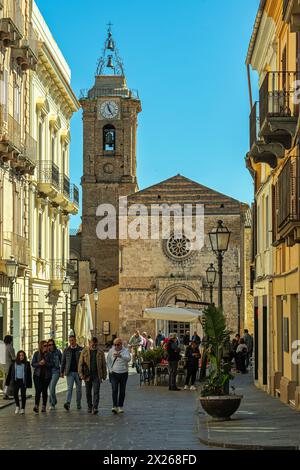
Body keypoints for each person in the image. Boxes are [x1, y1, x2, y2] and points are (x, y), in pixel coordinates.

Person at [78, 337, 107, 415]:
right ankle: (89, 406)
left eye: (95, 344)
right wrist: (81, 374)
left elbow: (104, 365)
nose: (94, 346)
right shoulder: (84, 351)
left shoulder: (100, 352)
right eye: (92, 344)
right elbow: (80, 363)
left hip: (97, 375)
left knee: (96, 391)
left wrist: (104, 375)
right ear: (89, 343)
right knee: (88, 392)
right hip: (87, 375)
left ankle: (95, 407)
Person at [107, 337, 131, 414]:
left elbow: (129, 359)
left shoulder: (125, 350)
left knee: (122, 391)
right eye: (115, 345)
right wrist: (110, 370)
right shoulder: (111, 351)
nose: (116, 346)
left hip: (124, 373)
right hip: (114, 373)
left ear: (121, 344)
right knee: (114, 389)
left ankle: (120, 406)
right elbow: (108, 361)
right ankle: (115, 406)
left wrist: (121, 356)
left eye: (118, 345)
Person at [61, 334, 83, 411]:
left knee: (78, 389)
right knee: (69, 388)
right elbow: (63, 361)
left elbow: (84, 361)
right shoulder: (66, 350)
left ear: (75, 340)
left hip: (79, 373)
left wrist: (84, 371)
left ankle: (78, 403)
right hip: (69, 372)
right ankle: (67, 403)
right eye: (70, 341)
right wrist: (62, 371)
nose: (71, 342)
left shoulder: (81, 349)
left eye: (73, 340)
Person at [5, 350, 32, 415]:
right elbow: (9, 374)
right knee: (15, 394)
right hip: (16, 381)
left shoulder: (27, 363)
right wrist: (7, 383)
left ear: (24, 356)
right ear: (18, 356)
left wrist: (29, 384)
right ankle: (17, 406)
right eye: (20, 355)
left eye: (22, 355)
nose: (21, 356)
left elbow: (29, 374)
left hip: (23, 381)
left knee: (23, 395)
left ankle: (23, 408)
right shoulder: (14, 363)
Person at [31, 340, 53, 413]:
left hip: (46, 376)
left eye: (47, 346)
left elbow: (52, 365)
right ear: (41, 346)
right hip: (37, 375)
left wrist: (45, 363)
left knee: (44, 391)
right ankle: (36, 406)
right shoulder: (36, 354)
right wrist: (39, 363)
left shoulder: (49, 354)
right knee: (38, 390)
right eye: (45, 346)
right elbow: (33, 364)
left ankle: (43, 406)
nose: (46, 347)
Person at [48, 339, 62, 410]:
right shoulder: (47, 353)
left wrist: (62, 371)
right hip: (48, 372)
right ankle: (54, 401)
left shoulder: (58, 352)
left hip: (56, 371)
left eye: (52, 344)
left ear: (54, 345)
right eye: (49, 345)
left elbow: (62, 361)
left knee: (52, 387)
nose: (51, 346)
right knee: (50, 388)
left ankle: (52, 403)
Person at [3, 335, 16, 400]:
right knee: (9, 381)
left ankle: (5, 394)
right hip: (10, 366)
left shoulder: (4, 347)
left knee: (5, 381)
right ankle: (8, 394)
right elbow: (13, 358)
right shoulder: (10, 347)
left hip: (4, 367)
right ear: (10, 340)